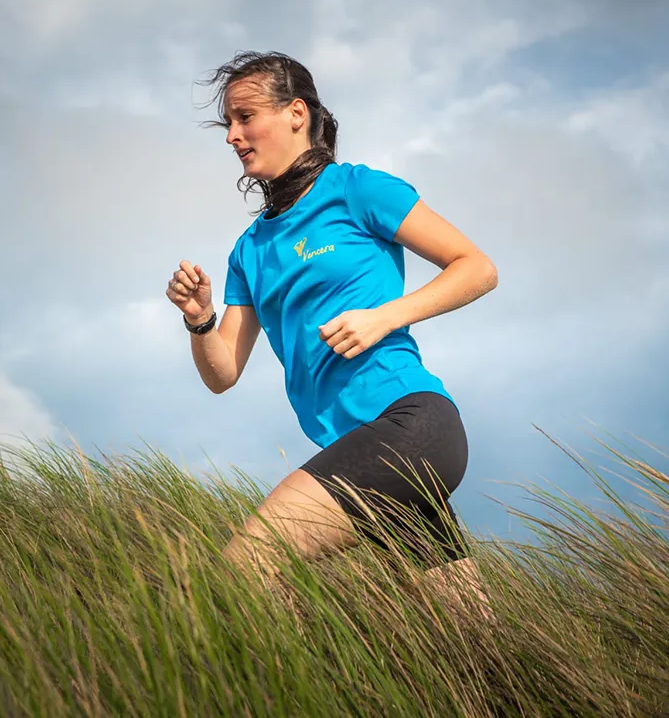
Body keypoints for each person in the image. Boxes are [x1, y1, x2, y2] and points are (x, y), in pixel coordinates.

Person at [165, 50, 497, 618]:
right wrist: (200, 318)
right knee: (470, 642)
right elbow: (223, 373)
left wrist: (386, 316)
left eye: (245, 117)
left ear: (296, 113)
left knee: (242, 572)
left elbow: (476, 267)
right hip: (359, 445)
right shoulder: (250, 249)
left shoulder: (357, 190)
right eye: (227, 124)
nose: (233, 136)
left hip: (410, 427)